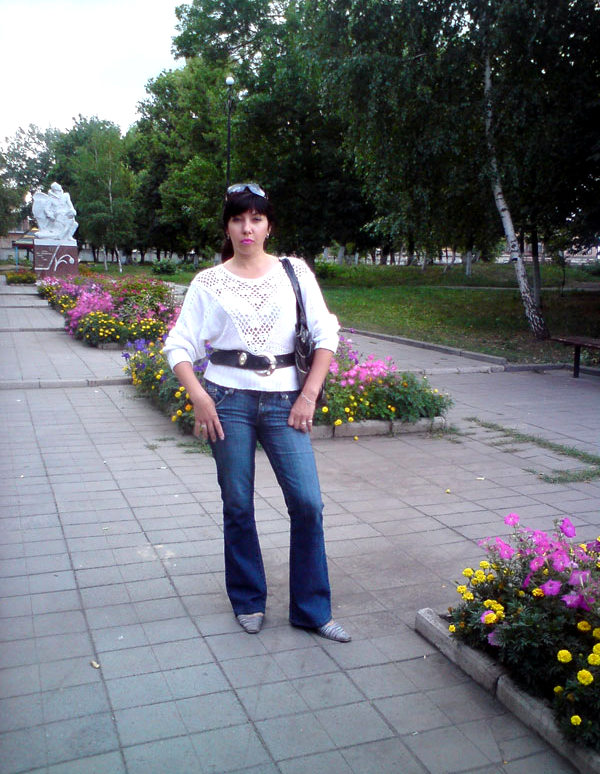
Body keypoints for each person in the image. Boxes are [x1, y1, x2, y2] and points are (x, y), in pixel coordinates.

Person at [162, 182, 350, 642]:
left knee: (307, 503)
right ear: (227, 227)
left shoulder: (294, 272)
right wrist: (200, 396)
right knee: (238, 503)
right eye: (238, 219)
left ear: (269, 226)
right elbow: (179, 345)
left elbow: (326, 333)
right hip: (227, 402)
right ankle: (248, 600)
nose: (247, 228)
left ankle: (311, 609)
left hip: (287, 402)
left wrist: (309, 394)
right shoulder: (208, 282)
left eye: (256, 219)